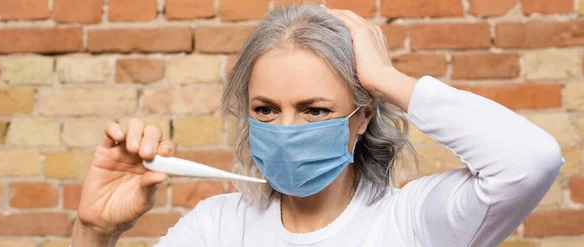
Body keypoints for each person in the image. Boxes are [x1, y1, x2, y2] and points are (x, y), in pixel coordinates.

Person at [72, 3, 564, 247]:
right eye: (266, 109)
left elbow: (530, 160)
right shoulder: (217, 227)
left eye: (315, 110)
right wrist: (94, 233)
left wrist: (385, 78)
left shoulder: (416, 223)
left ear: (361, 119)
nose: (287, 128)